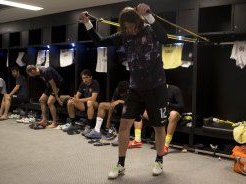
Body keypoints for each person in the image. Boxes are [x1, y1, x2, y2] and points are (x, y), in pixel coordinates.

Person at [79, 3, 168, 179]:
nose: (130, 30)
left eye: (132, 26)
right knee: (124, 125)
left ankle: (159, 160)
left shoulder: (150, 30)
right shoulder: (123, 36)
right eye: (126, 27)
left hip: (157, 87)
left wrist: (149, 14)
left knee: (158, 126)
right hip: (135, 88)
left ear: (139, 22)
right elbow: (100, 41)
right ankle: (120, 164)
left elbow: (165, 37)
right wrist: (87, 23)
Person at [129, 84, 184, 154]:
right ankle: (137, 140)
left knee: (173, 114)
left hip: (173, 115)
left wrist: (167, 103)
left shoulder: (174, 89)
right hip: (160, 116)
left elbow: (181, 106)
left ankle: (165, 145)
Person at [63, 69, 100, 135]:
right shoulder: (82, 84)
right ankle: (73, 124)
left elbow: (93, 98)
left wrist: (79, 100)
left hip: (95, 104)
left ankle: (88, 127)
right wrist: (75, 98)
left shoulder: (95, 83)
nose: (85, 80)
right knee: (70, 102)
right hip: (85, 103)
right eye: (83, 78)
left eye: (86, 78)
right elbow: (77, 95)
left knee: (89, 102)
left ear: (90, 77)